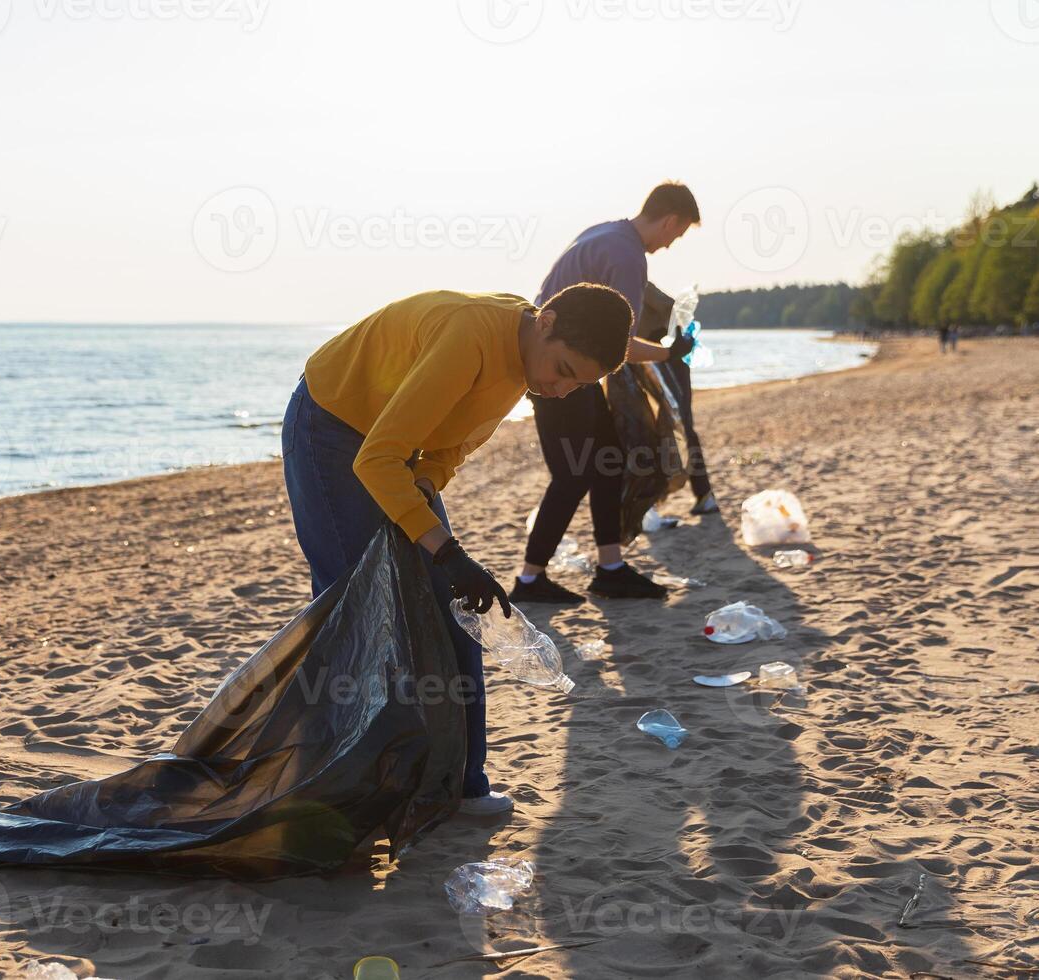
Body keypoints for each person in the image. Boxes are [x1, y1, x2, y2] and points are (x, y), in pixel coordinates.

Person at [282, 285, 634, 816]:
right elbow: (376, 459)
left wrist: (436, 528)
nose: (560, 391)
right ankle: (327, 784)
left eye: (577, 385)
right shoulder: (471, 336)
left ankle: (464, 783)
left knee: (461, 606)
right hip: (330, 425)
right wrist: (446, 551)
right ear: (546, 322)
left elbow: (448, 451)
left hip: (390, 447)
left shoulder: (526, 367)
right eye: (562, 370)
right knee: (351, 607)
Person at [512, 183, 700, 606]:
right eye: (678, 234)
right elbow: (622, 347)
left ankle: (610, 568)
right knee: (573, 473)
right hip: (559, 372)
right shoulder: (627, 256)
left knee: (606, 460)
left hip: (557, 364)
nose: (670, 245)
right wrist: (670, 352)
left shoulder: (604, 234)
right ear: (670, 220)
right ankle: (529, 579)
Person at [641, 282, 717, 513]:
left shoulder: (633, 278)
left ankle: (703, 494)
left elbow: (675, 310)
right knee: (651, 425)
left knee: (682, 423)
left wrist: (669, 345)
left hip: (667, 354)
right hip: (645, 356)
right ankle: (650, 503)